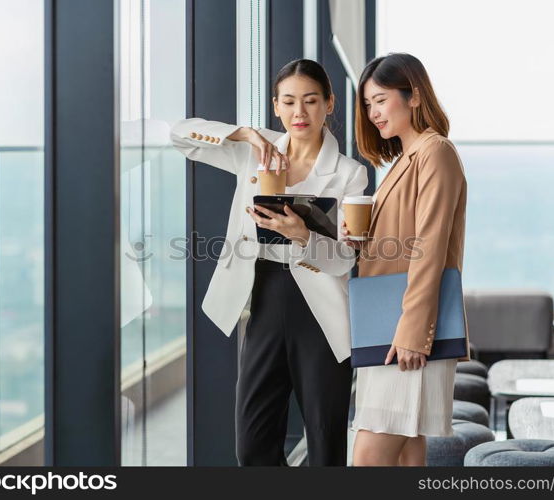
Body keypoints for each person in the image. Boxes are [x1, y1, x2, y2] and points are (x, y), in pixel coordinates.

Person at [171, 59, 368, 465]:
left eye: (311, 101)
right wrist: (241, 133)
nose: (300, 113)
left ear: (329, 104)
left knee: (325, 441)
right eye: (290, 102)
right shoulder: (253, 151)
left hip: (321, 310)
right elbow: (180, 136)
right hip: (263, 295)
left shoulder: (350, 174)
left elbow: (343, 259)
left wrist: (304, 235)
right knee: (253, 444)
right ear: (276, 106)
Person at [343, 53, 470, 466]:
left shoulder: (434, 152)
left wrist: (416, 332)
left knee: (368, 457)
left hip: (406, 332)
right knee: (406, 456)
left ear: (413, 95)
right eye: (367, 104)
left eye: (380, 99)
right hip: (388, 327)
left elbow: (430, 247)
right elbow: (404, 241)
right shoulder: (406, 159)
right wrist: (361, 241)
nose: (373, 112)